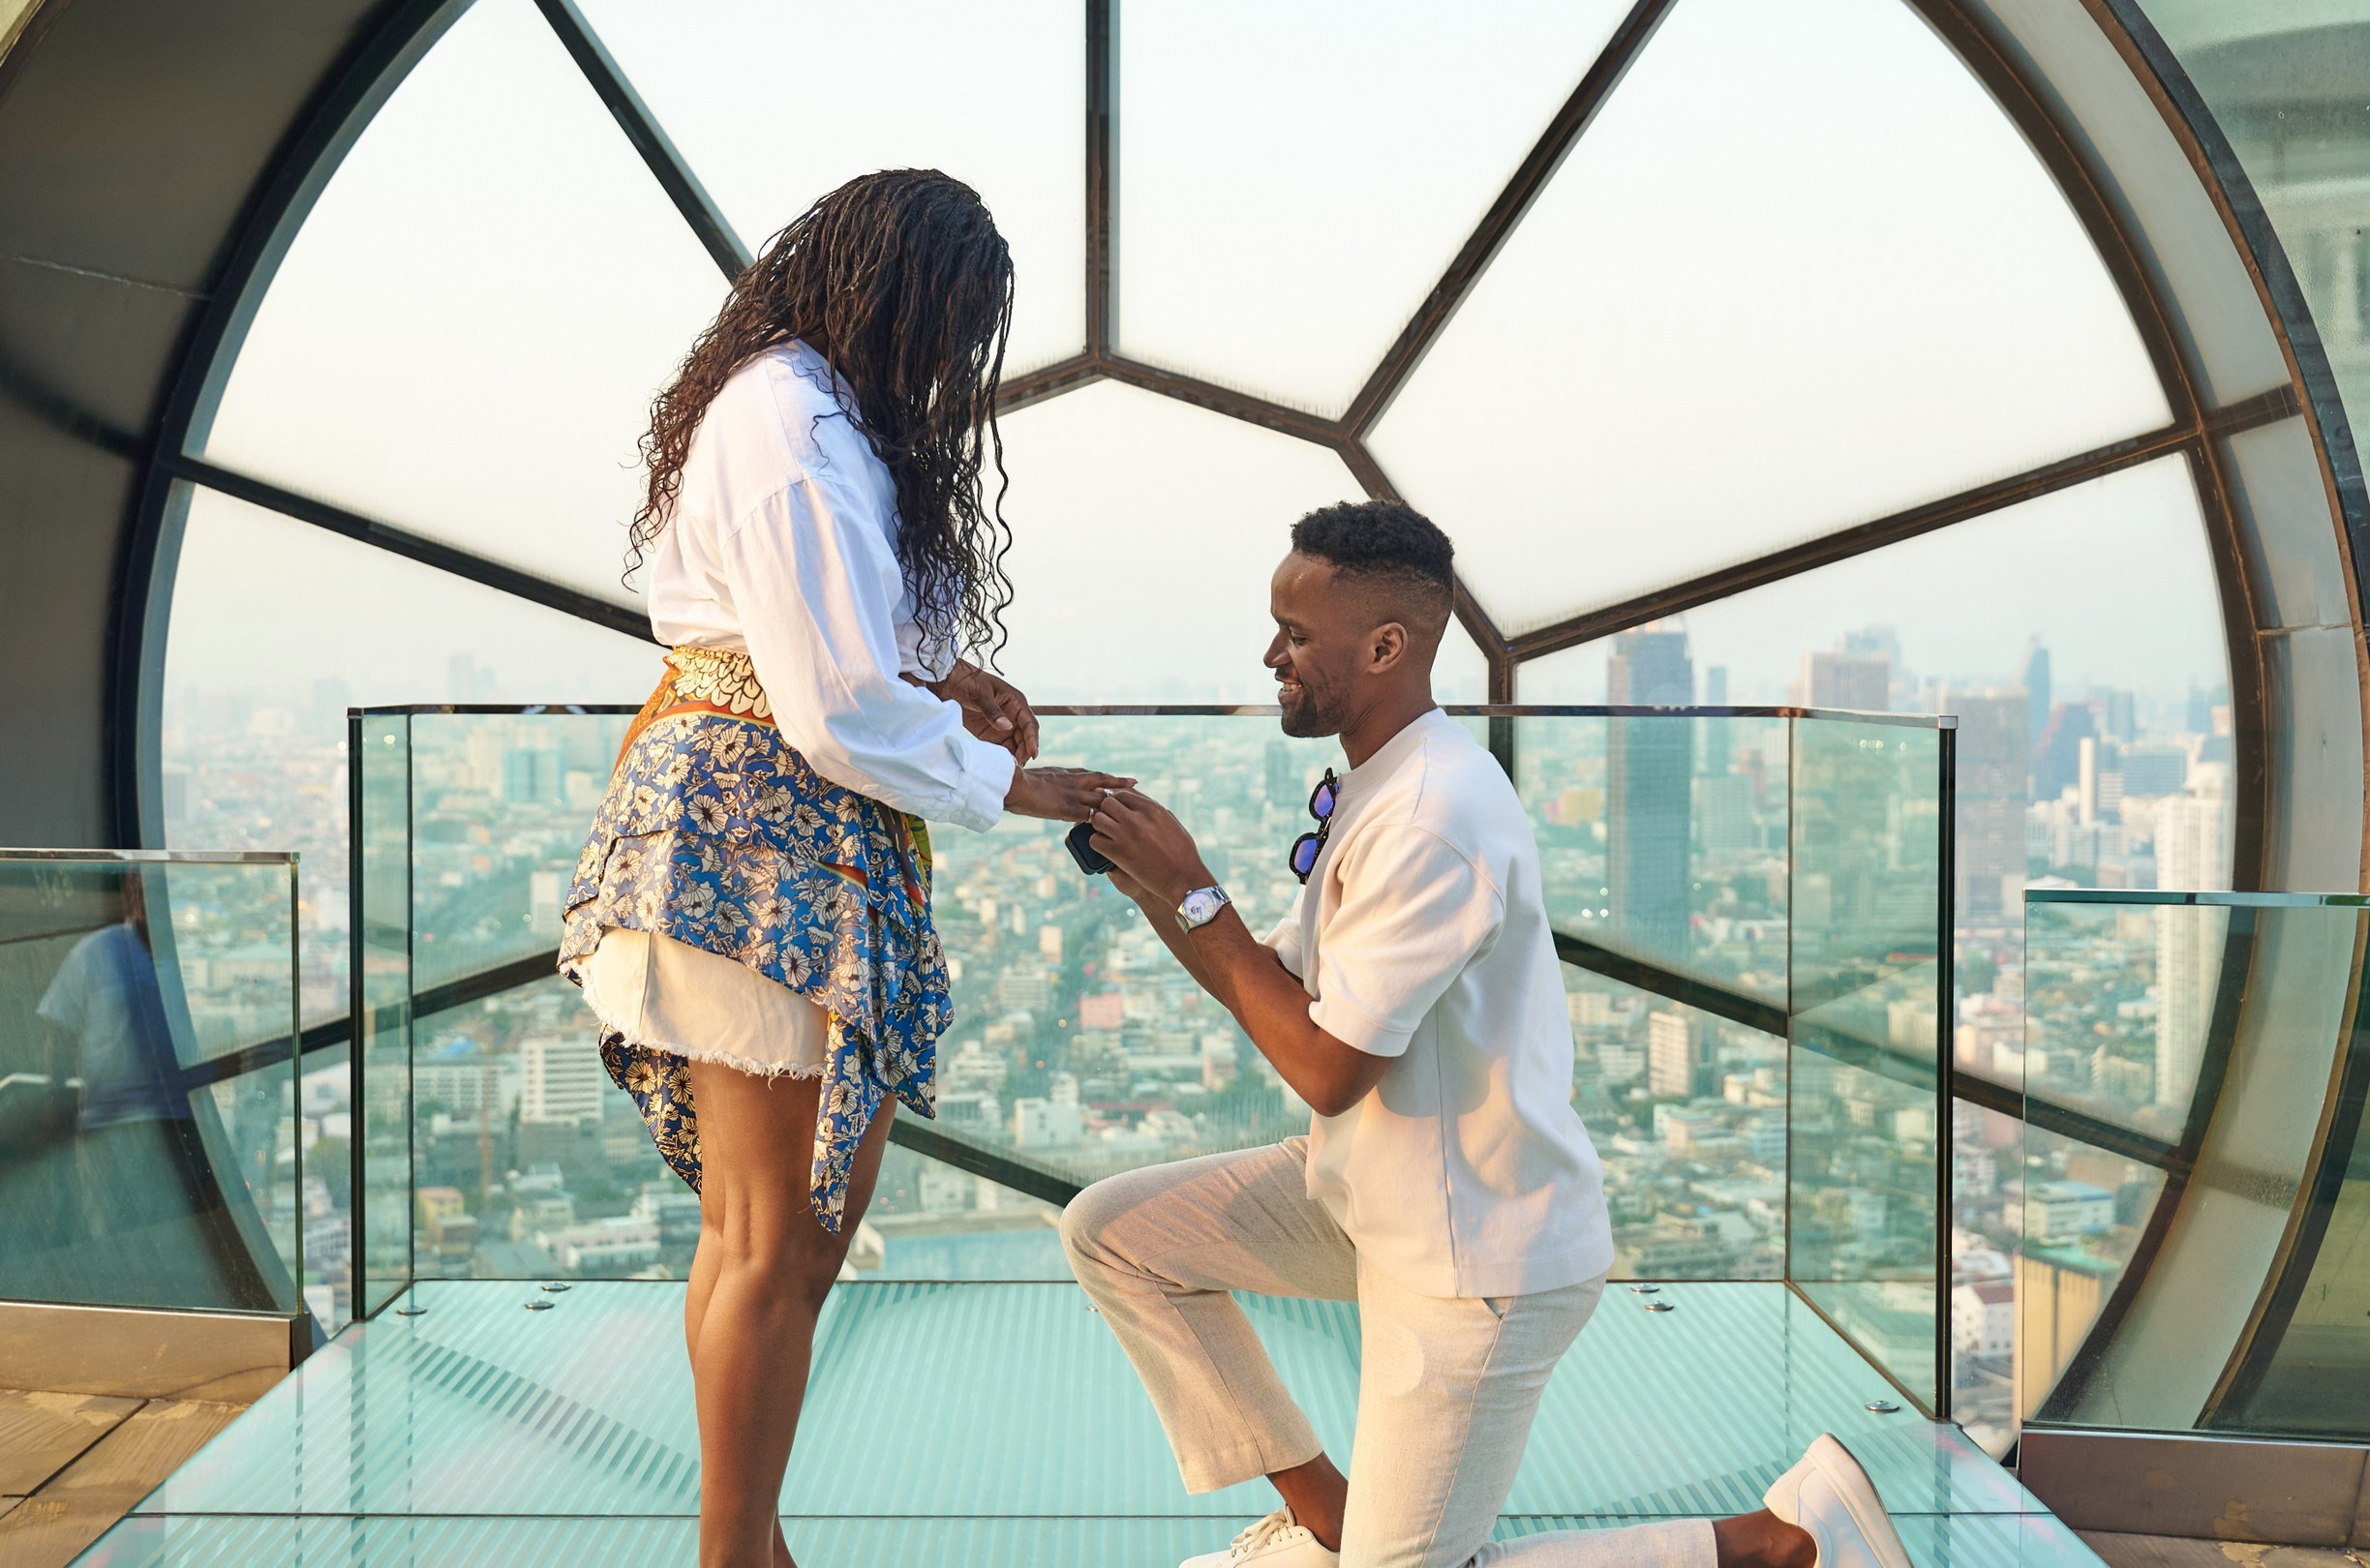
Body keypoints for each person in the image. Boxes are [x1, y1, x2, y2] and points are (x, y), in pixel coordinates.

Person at [1071, 500, 1912, 1568]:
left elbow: (1327, 1069)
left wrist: (1195, 887)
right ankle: (1329, 1513)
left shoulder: (1433, 813)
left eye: (1295, 633)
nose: (1271, 655)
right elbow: (1274, 985)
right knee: (1116, 1233)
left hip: (1473, 1255)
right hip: (1378, 1201)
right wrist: (1156, 886)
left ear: (1386, 647)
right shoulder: (1382, 782)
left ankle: (1783, 1543)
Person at [557, 168, 1127, 1568]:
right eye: (950, 323)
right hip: (760, 840)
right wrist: (1016, 783)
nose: (950, 360)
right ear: (892, 296)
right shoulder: (791, 416)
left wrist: (947, 677)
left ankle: (749, 1546)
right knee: (782, 1238)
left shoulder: (803, 409)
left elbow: (827, 642)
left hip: (754, 835)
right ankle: (736, 1556)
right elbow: (832, 702)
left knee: (760, 1234)